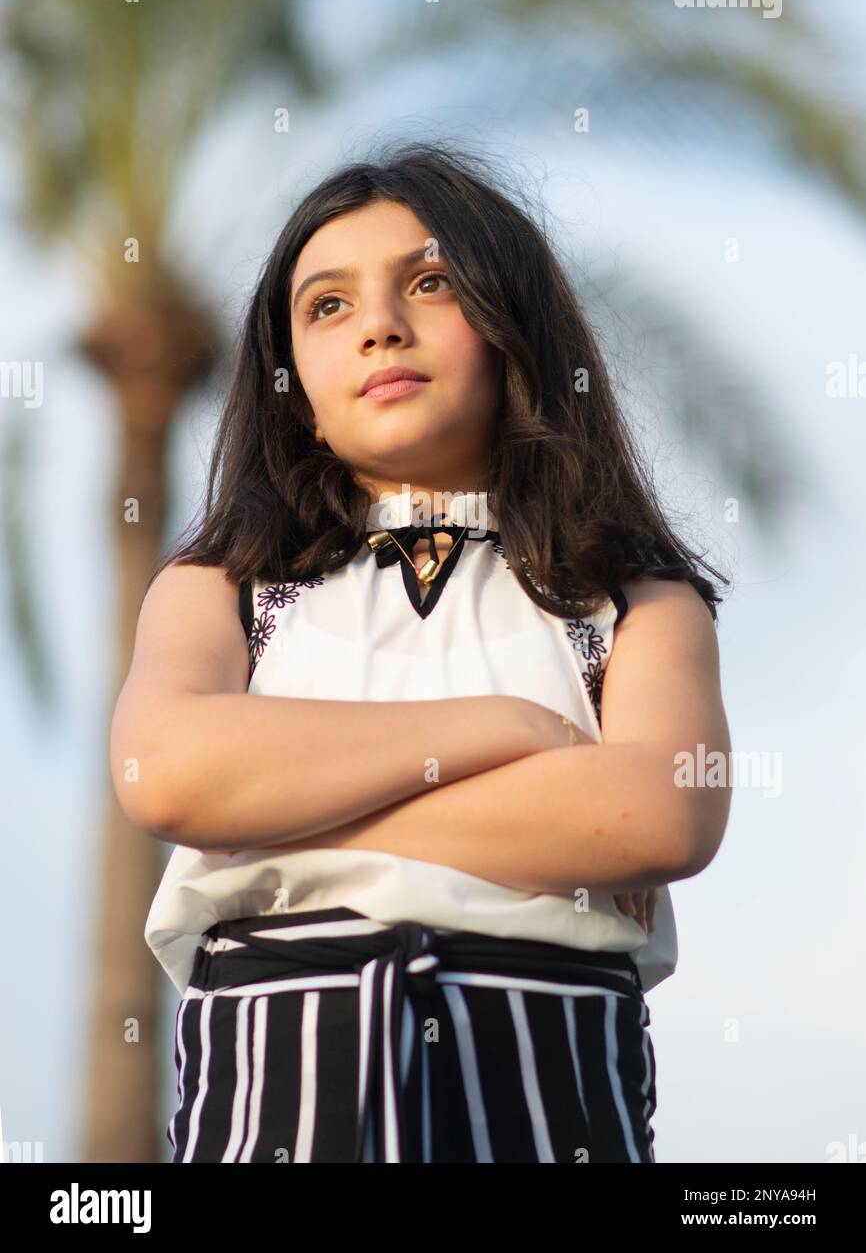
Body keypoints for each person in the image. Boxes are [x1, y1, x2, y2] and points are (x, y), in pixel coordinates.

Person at [111, 140, 732, 1164]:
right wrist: (510, 731)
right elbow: (166, 772)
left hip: (549, 1083)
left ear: (512, 327)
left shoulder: (635, 599)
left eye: (430, 282)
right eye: (327, 306)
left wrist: (273, 815)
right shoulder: (217, 586)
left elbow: (655, 810)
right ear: (289, 382)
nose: (379, 327)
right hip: (271, 1085)